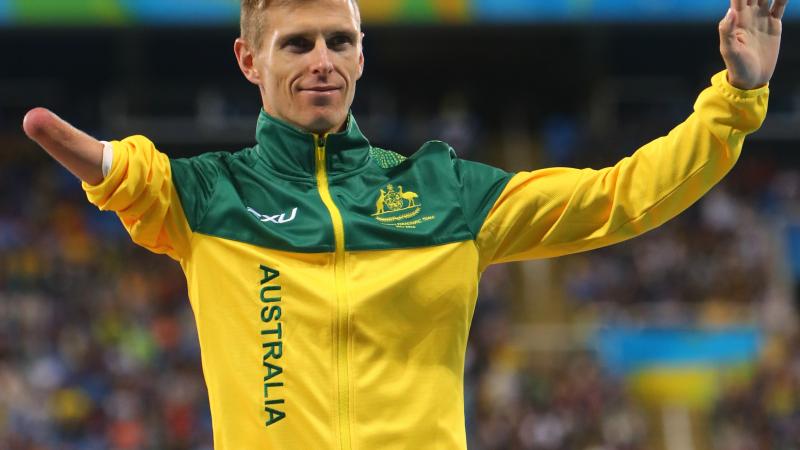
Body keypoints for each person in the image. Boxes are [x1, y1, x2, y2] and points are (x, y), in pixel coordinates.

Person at [21, 0, 787, 448]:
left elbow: (621, 197)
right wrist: (106, 167)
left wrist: (735, 99)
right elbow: (140, 180)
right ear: (248, 60)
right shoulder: (210, 196)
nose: (322, 60)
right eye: (297, 44)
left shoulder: (445, 192)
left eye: (340, 41)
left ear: (361, 54)